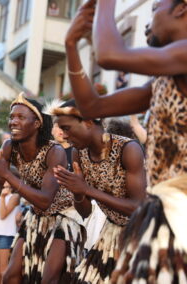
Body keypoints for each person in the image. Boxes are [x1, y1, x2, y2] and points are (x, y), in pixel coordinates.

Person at [64, 0, 187, 281]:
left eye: (155, 8)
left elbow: (109, 55)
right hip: (166, 211)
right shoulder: (164, 78)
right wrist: (71, 46)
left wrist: (105, 4)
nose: (148, 21)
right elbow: (91, 107)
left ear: (181, 8)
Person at [0, 93, 85, 283]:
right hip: (35, 217)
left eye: (21, 117)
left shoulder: (54, 151)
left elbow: (46, 200)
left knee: (48, 279)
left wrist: (6, 174)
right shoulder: (9, 147)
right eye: (12, 117)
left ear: (37, 123)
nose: (13, 121)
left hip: (64, 217)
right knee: (11, 276)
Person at [51, 99, 146, 283]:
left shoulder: (128, 149)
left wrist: (87, 190)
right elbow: (85, 211)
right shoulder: (79, 153)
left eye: (67, 128)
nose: (63, 134)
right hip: (112, 231)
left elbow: (138, 208)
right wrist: (78, 193)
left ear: (87, 123)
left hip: (143, 234)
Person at [0, 169, 21, 284]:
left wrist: (1, 198)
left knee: (3, 271)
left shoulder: (15, 197)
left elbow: (3, 215)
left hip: (6, 236)